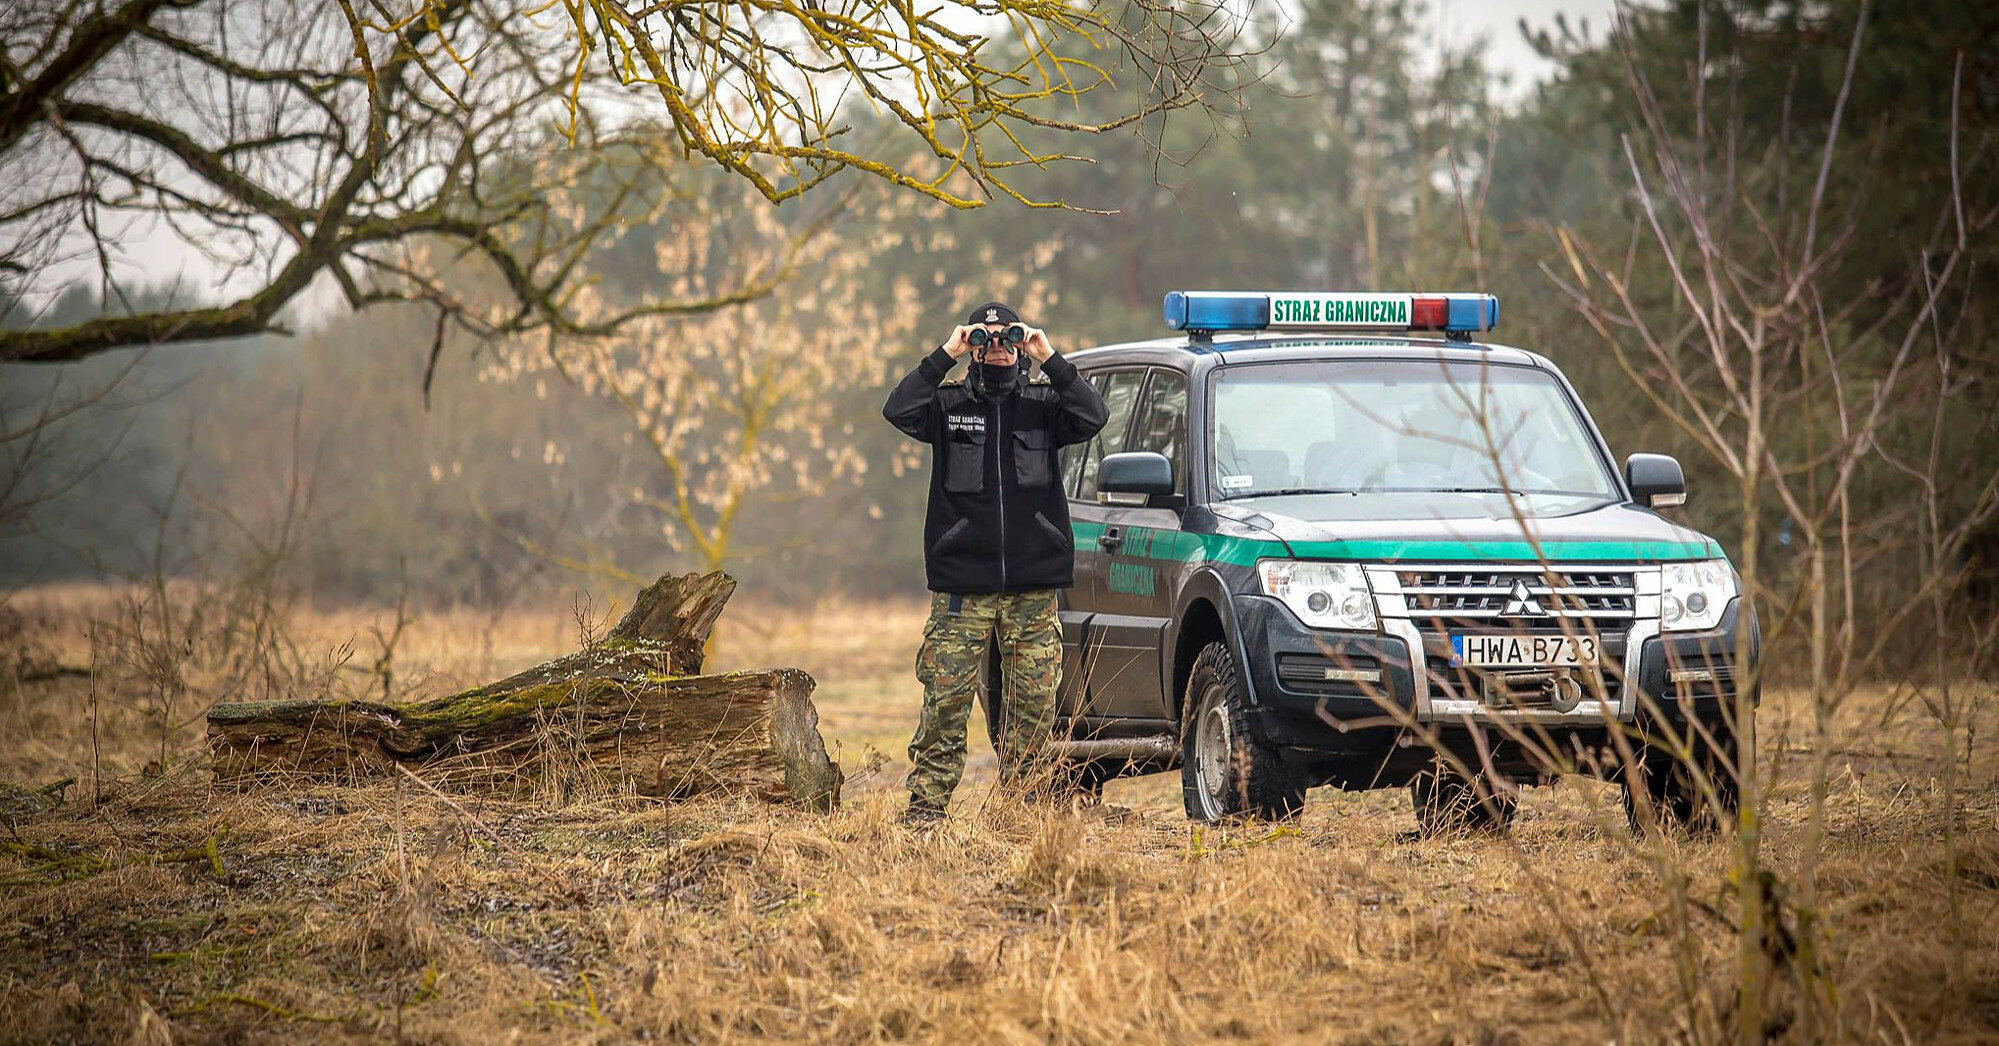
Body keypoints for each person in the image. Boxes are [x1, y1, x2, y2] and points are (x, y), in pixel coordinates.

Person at [882, 301, 1109, 825]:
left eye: (1009, 340)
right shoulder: (947, 405)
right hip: (963, 585)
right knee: (947, 700)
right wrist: (948, 352)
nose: (1000, 349)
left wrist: (1047, 354)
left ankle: (1022, 808)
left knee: (1033, 704)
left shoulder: (1045, 406)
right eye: (989, 341)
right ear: (974, 348)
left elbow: (1093, 416)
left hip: (1033, 587)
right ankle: (927, 808)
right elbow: (898, 410)